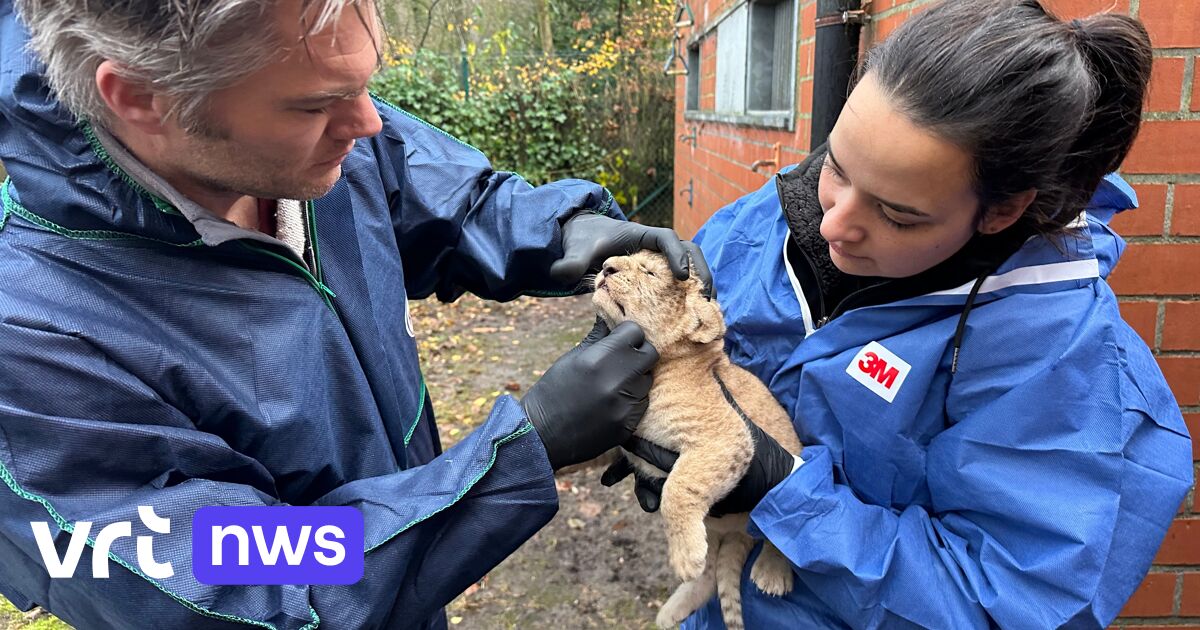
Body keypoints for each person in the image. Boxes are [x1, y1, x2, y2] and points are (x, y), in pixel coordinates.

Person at [0, 1, 713, 628]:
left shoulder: (305, 122)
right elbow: (247, 583)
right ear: (140, 99)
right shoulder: (35, 349)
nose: (368, 121)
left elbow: (440, 195)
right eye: (315, 106)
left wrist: (564, 231)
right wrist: (519, 457)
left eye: (364, 83)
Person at [605, 0, 1194, 626]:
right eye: (836, 164)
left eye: (898, 215)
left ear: (1001, 211)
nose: (832, 221)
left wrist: (787, 495)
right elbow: (685, 339)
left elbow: (1005, 605)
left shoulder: (1064, 364)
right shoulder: (776, 217)